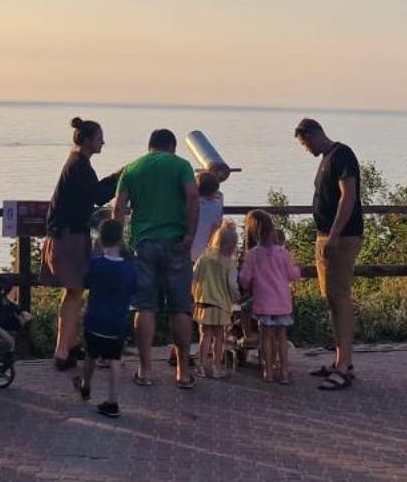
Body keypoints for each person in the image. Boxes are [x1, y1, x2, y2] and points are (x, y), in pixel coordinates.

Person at [113, 128, 203, 389]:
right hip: (176, 243)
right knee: (180, 307)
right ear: (172, 147)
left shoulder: (132, 168)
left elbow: (119, 207)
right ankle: (183, 372)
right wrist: (189, 235)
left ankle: (145, 370)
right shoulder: (181, 165)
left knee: (145, 307)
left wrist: (118, 242)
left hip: (144, 244)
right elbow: (193, 197)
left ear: (149, 146)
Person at [46, 117, 119, 371]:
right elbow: (98, 195)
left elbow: (92, 192)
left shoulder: (76, 162)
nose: (103, 142)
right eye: (100, 138)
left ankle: (68, 344)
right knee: (74, 292)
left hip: (63, 235)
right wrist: (120, 177)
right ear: (88, 140)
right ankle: (63, 350)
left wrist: (114, 176)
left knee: (72, 293)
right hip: (70, 237)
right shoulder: (80, 165)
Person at [296, 118, 361, 391]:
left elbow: (348, 196)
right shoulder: (326, 158)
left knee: (340, 297)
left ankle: (344, 365)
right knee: (332, 298)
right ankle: (339, 359)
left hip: (341, 237)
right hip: (327, 236)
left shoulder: (341, 154)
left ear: (313, 134)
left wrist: (334, 233)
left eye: (305, 143)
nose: (306, 149)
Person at [80, 218, 138, 418]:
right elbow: (134, 288)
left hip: (95, 319)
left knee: (90, 355)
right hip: (117, 321)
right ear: (120, 240)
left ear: (100, 241)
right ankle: (113, 400)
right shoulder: (129, 268)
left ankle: (86, 385)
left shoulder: (96, 264)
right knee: (115, 359)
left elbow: (86, 282)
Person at [239, 211, 298, 384]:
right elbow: (292, 275)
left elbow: (245, 279)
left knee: (266, 337)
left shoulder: (253, 254)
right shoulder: (282, 253)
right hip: (282, 302)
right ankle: (285, 371)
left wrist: (245, 286)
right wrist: (298, 270)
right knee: (281, 337)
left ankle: (268, 371)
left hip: (264, 302)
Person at [191, 221, 241, 378]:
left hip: (203, 302)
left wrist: (194, 295)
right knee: (220, 336)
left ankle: (201, 365)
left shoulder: (203, 258)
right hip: (221, 305)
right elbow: (232, 285)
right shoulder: (230, 262)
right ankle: (216, 367)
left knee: (204, 335)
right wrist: (236, 297)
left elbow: (194, 277)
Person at [190, 169, 226, 263]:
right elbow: (216, 227)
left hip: (188, 251)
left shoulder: (191, 205)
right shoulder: (216, 207)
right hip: (206, 253)